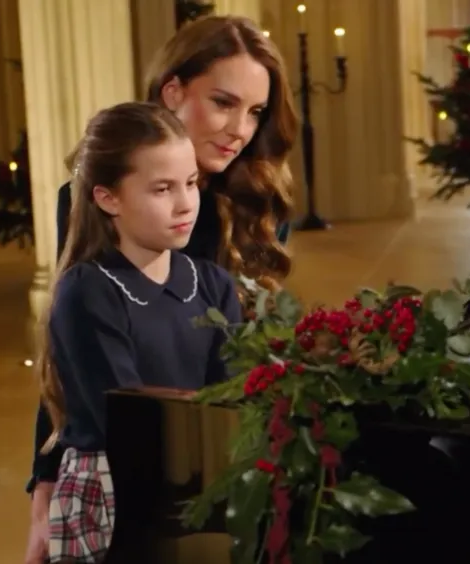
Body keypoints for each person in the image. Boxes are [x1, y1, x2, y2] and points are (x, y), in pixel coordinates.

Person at [25, 16, 297, 563]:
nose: (240, 129)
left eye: (255, 111)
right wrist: (45, 486)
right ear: (174, 91)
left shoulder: (258, 206)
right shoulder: (92, 203)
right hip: (126, 457)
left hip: (216, 453)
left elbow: (247, 365)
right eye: (224, 102)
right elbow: (76, 353)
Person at [35, 101, 243, 563]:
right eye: (162, 189)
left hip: (199, 478)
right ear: (108, 197)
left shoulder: (212, 284)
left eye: (191, 183)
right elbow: (130, 420)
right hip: (112, 492)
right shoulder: (89, 291)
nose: (186, 202)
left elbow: (232, 395)